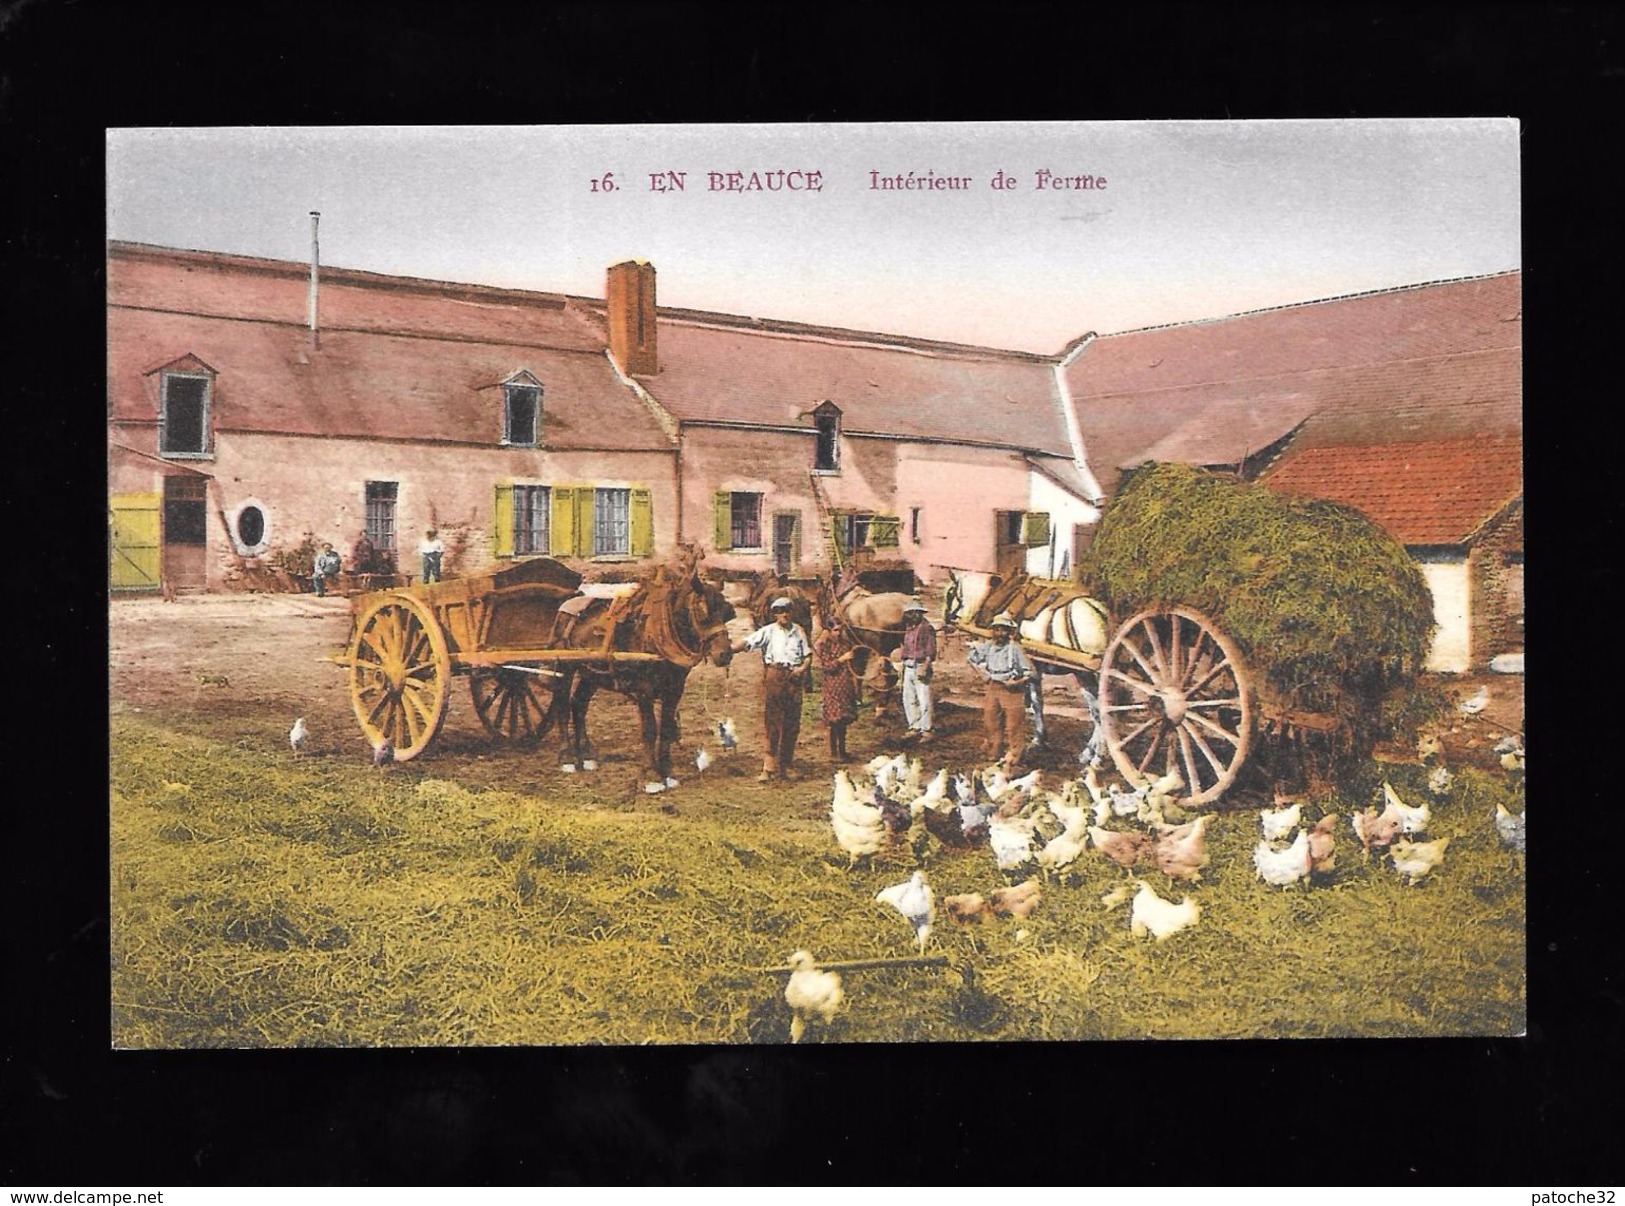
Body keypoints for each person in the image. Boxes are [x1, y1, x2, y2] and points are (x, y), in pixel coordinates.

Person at [731, 596, 812, 782]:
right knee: (773, 720)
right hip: (775, 676)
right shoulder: (768, 631)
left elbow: (807, 655)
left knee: (792, 721)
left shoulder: (798, 631)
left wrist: (802, 668)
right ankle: (769, 766)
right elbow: (748, 643)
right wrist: (730, 650)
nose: (784, 614)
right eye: (780, 611)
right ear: (775, 614)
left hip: (794, 677)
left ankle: (787, 764)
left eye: (787, 610)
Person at [967, 612, 1034, 770]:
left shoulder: (1015, 649)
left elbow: (1030, 672)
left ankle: (1016, 757)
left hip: (1012, 690)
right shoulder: (988, 646)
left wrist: (1016, 682)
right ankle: (994, 753)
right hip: (993, 687)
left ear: (1009, 632)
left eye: (1003, 630)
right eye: (996, 630)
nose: (999, 633)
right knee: (991, 721)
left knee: (1013, 725)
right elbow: (971, 659)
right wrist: (982, 675)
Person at [814, 615, 859, 761]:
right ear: (829, 630)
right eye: (835, 630)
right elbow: (827, 667)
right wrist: (841, 659)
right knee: (835, 721)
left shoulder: (846, 644)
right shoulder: (824, 646)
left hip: (845, 685)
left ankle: (842, 751)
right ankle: (834, 753)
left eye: (840, 630)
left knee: (844, 720)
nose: (838, 633)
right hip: (832, 686)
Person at [895, 599, 937, 744]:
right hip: (908, 665)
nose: (913, 616)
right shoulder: (908, 628)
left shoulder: (927, 628)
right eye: (910, 613)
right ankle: (914, 726)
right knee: (908, 697)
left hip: (920, 664)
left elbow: (931, 650)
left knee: (924, 700)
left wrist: (926, 666)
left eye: (915, 613)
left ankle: (927, 730)